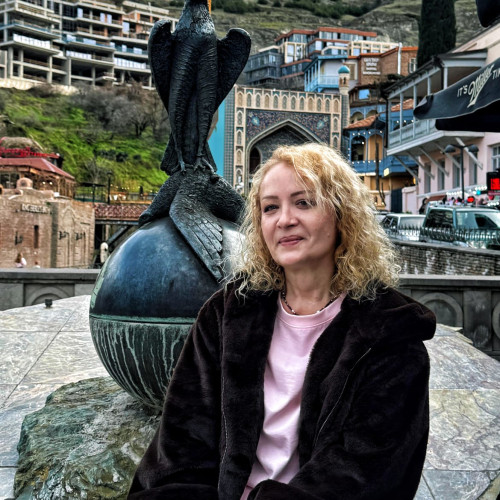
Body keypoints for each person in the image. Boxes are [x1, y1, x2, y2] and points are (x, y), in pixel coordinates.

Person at [128, 143, 436, 500]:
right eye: (270, 207)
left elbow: (363, 473)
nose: (284, 219)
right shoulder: (228, 314)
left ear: (342, 214)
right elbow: (182, 442)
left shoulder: (388, 332)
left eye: (303, 202)